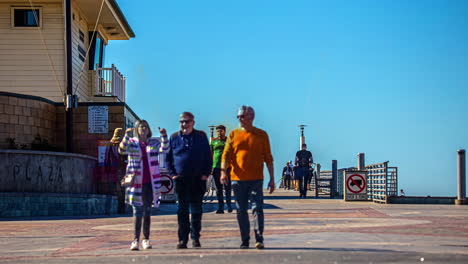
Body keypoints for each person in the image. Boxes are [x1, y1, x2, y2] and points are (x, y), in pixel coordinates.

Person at [220, 105, 275, 250]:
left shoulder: (261, 135)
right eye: (238, 116)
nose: (239, 119)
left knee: (257, 208)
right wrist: (223, 172)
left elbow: (268, 157)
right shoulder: (233, 134)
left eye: (242, 116)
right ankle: (245, 239)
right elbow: (226, 154)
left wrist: (272, 178)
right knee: (241, 209)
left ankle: (259, 237)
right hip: (237, 179)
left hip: (256, 178)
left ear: (251, 117)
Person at [119, 120, 169, 251]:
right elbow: (121, 150)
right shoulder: (132, 143)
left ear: (149, 130)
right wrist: (125, 136)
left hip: (150, 183)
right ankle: (135, 240)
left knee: (147, 211)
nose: (144, 129)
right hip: (136, 183)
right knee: (137, 212)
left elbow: (165, 149)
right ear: (137, 129)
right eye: (141, 126)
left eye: (146, 127)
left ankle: (146, 239)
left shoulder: (154, 142)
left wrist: (163, 136)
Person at [166, 112, 212, 249]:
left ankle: (195, 237)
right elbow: (168, 158)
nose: (184, 124)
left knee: (197, 209)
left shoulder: (201, 136)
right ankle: (182, 239)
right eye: (182, 122)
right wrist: (173, 174)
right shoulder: (174, 137)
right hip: (181, 179)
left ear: (193, 122)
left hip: (198, 179)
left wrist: (206, 174)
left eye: (187, 121)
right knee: (182, 210)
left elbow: (208, 157)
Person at [210, 125, 233, 214]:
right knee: (218, 189)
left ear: (224, 131)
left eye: (221, 131)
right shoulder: (213, 142)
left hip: (227, 168)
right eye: (218, 131)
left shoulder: (228, 141)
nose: (219, 133)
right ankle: (220, 207)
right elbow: (210, 154)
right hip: (216, 167)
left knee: (227, 187)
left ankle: (229, 205)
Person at [105, 128, 127, 213]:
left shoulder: (110, 144)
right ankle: (121, 209)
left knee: (111, 190)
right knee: (122, 190)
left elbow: (107, 158)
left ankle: (109, 209)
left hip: (112, 170)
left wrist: (107, 170)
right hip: (122, 170)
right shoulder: (124, 145)